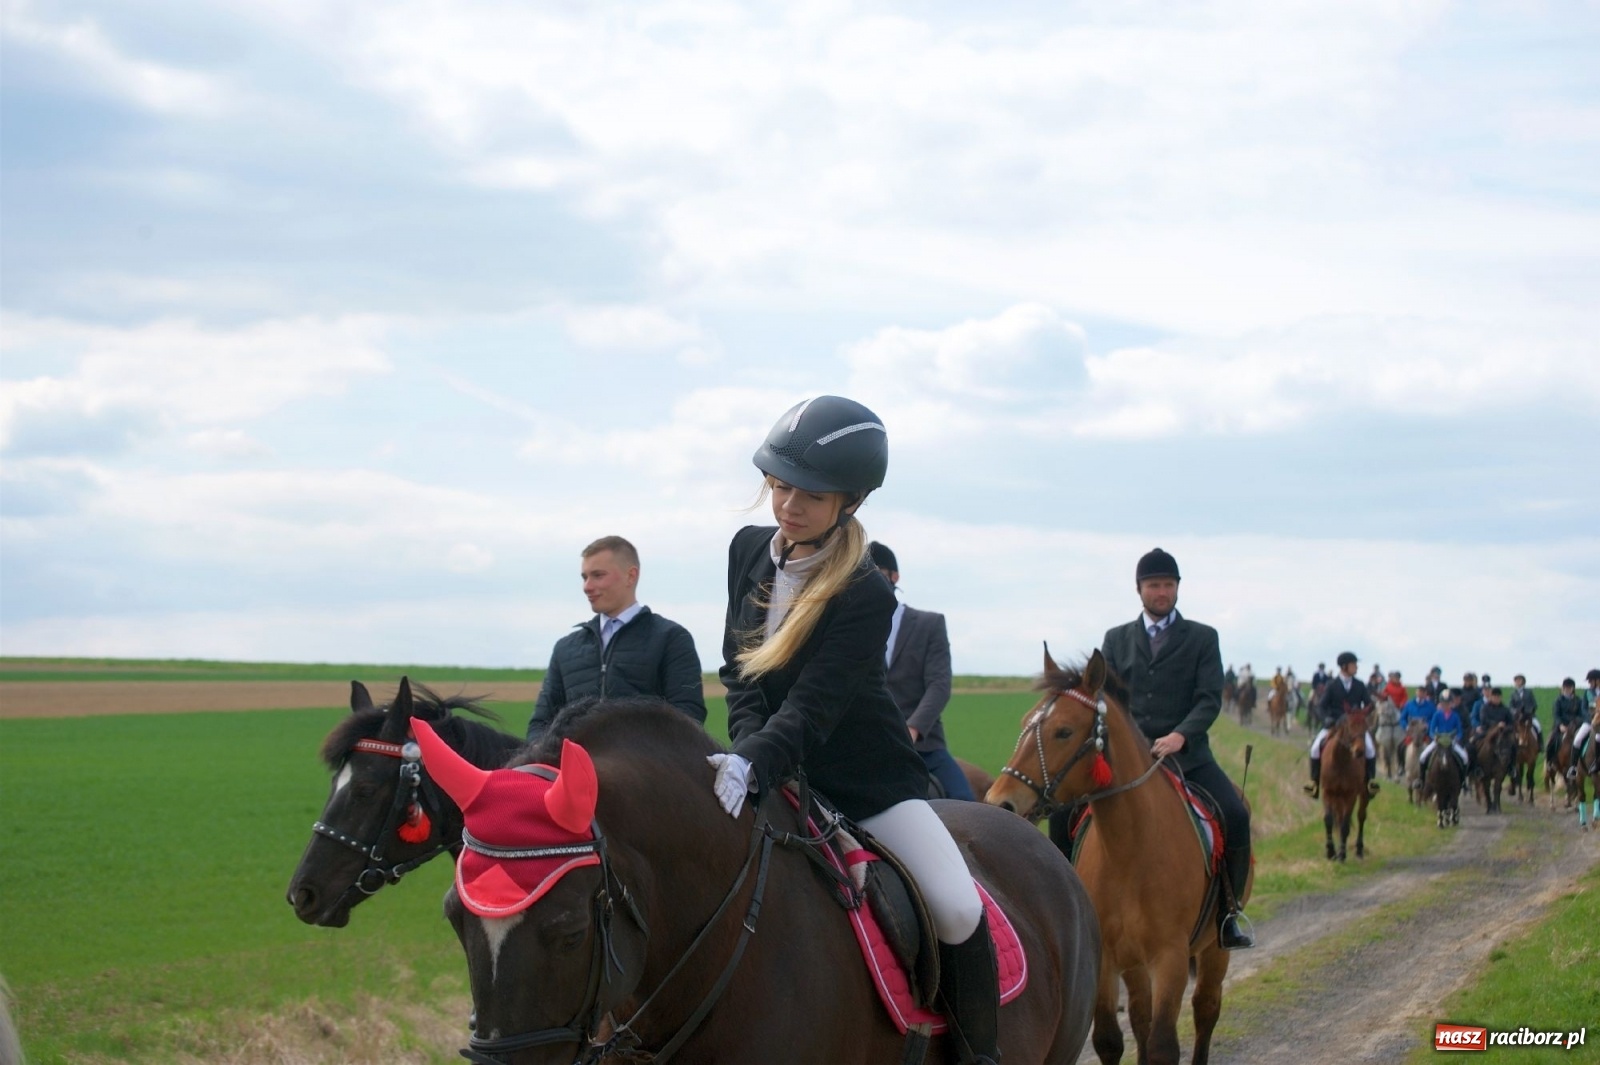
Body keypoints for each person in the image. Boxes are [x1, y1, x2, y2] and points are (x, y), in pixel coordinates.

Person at [710, 395, 998, 1065]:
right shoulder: (747, 550)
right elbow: (740, 671)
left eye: (809, 493)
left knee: (956, 907)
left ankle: (981, 1053)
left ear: (853, 498)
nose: (787, 504)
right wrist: (747, 754)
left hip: (868, 784)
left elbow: (814, 706)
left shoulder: (866, 592)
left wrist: (755, 759)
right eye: (779, 485)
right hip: (776, 766)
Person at [1055, 547, 1254, 951]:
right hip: (1128, 761)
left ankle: (1228, 914)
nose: (1161, 592)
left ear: (1177, 588)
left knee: (1235, 814)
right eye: (1153, 585)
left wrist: (1181, 734)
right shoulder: (1116, 639)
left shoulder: (1202, 637)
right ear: (1139, 590)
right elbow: (1104, 700)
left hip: (1188, 757)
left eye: (1168, 584)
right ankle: (1067, 907)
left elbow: (1209, 699)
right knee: (1062, 815)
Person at [525, 535, 707, 743]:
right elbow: (540, 725)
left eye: (598, 575)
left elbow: (688, 718)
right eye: (584, 577)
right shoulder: (566, 648)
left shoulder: (671, 639)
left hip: (643, 771)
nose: (587, 586)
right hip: (573, 771)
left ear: (631, 576)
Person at [869, 541, 973, 802]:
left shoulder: (929, 625)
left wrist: (912, 728)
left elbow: (939, 684)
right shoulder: (850, 627)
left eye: (877, 573)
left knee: (966, 803)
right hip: (868, 741)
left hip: (922, 746)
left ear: (895, 577)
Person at [1306, 651, 1379, 798]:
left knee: (1370, 749)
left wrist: (1362, 713)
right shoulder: (1332, 685)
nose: (1356, 667)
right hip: (1334, 724)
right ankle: (1314, 783)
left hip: (1355, 727)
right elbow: (1321, 706)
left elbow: (1370, 704)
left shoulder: (1359, 685)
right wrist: (1326, 719)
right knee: (1315, 748)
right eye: (1354, 664)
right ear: (1345, 666)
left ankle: (1369, 782)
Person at [1418, 689, 1470, 778]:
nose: (1446, 706)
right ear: (1441, 704)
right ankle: (1422, 779)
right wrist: (1434, 736)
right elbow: (1432, 729)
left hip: (1451, 741)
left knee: (1465, 758)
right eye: (1444, 703)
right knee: (1422, 757)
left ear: (1451, 704)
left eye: (1448, 703)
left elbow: (1459, 731)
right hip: (1438, 740)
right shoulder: (1437, 715)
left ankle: (1463, 781)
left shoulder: (1455, 716)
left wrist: (1457, 738)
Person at [1550, 678, 1585, 764]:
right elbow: (1556, 714)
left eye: (1569, 687)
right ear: (1562, 688)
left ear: (1573, 688)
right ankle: (1550, 761)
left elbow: (1582, 714)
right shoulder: (1558, 700)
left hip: (1575, 726)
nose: (1567, 689)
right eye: (1565, 687)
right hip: (1561, 726)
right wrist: (1560, 725)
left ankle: (1582, 761)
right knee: (1551, 740)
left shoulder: (1579, 700)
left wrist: (1575, 723)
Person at [1509, 674, 1541, 745]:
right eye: (1516, 681)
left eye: (1519, 680)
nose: (1517, 682)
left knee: (1538, 727)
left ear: (1523, 682)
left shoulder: (1529, 692)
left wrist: (1528, 711)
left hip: (1529, 716)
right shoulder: (1513, 694)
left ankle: (1540, 744)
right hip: (1517, 717)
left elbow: (1534, 704)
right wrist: (1516, 712)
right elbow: (1511, 706)